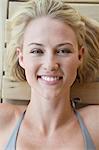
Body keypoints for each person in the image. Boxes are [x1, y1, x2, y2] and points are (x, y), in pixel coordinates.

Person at [0, 0, 99, 149]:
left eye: (63, 51)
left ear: (80, 56)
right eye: (37, 51)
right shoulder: (3, 121)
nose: (51, 65)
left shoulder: (95, 125)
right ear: (21, 58)